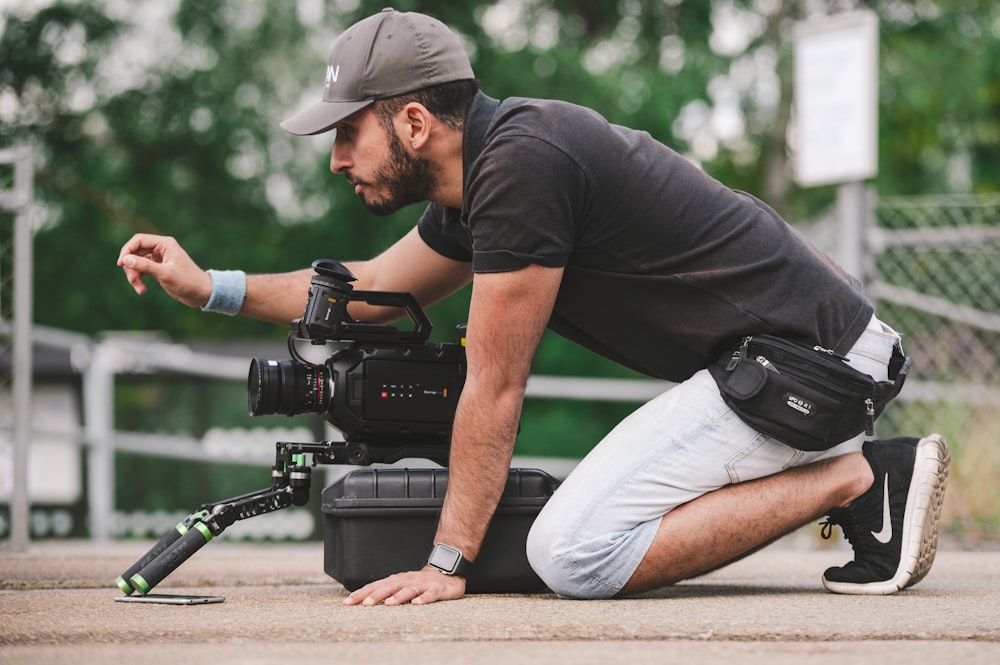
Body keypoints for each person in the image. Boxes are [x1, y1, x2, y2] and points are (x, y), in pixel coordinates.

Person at [118, 8, 950, 606]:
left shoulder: (522, 167)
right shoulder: (484, 179)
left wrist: (449, 562)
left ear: (412, 121)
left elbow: (497, 382)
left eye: (347, 134)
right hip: (784, 366)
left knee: (573, 554)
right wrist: (211, 286)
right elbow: (369, 294)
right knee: (577, 540)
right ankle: (856, 480)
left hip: (812, 369)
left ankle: (861, 473)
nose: (337, 160)